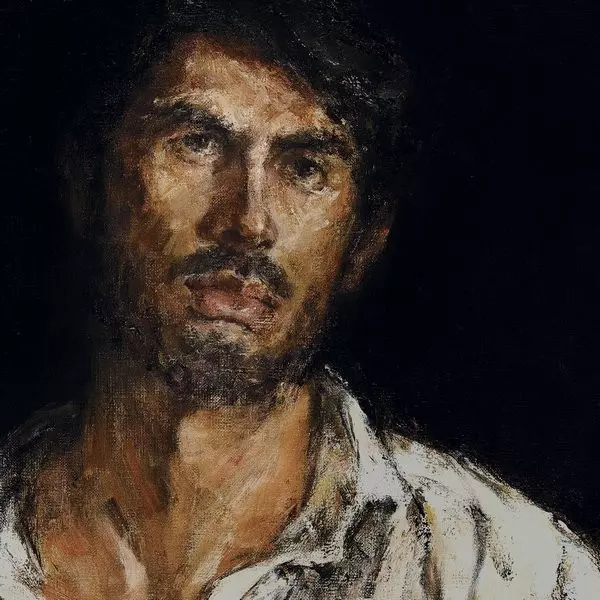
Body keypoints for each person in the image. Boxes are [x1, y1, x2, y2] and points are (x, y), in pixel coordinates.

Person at [0, 1, 598, 598]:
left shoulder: (512, 573)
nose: (247, 222)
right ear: (88, 182)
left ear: (363, 240)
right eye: (197, 143)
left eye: (306, 168)